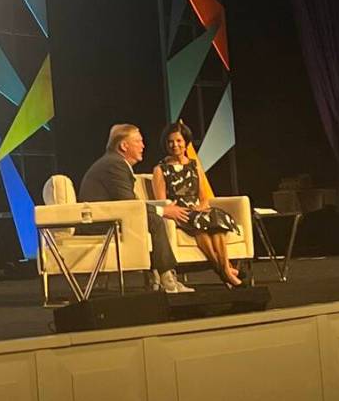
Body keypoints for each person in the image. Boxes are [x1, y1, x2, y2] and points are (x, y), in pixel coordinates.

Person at [78, 124, 194, 293]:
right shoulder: (114, 164)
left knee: (154, 218)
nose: (143, 146)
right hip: (100, 224)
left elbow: (130, 204)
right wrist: (163, 211)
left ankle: (159, 277)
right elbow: (130, 204)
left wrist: (161, 209)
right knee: (154, 220)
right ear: (124, 146)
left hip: (110, 217)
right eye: (138, 141)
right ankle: (166, 278)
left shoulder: (115, 162)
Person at [153, 121, 242, 287]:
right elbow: (162, 201)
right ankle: (226, 271)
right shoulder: (160, 169)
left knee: (216, 222)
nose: (174, 145)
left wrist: (201, 207)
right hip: (180, 212)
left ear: (186, 142)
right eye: (170, 141)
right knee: (200, 226)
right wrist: (180, 209)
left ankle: (224, 270)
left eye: (178, 141)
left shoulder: (194, 165)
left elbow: (204, 197)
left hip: (198, 210)